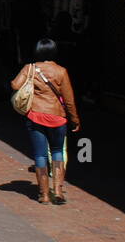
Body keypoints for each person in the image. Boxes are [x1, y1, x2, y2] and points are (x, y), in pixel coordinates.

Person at [10, 39, 81, 205]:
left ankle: (43, 194)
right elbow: (69, 99)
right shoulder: (61, 71)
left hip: (36, 116)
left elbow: (15, 85)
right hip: (58, 117)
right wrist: (75, 119)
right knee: (57, 152)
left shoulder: (30, 68)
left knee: (40, 154)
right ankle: (57, 191)